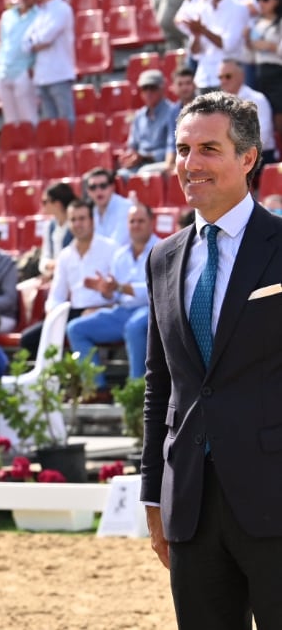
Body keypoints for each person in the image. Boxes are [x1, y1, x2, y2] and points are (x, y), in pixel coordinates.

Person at [142, 91, 282, 629]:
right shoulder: (163, 257)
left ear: (247, 159)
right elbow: (161, 385)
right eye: (181, 149)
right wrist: (154, 497)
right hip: (191, 509)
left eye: (208, 148)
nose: (189, 164)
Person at [66, 201, 159, 387]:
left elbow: (157, 291)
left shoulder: (163, 249)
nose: (136, 226)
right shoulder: (121, 254)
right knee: (76, 328)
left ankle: (137, 391)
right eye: (132, 221)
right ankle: (95, 388)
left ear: (152, 222)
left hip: (151, 311)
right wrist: (106, 291)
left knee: (134, 327)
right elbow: (115, 295)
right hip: (122, 311)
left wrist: (120, 287)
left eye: (140, 221)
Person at [19, 199, 117, 355]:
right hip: (73, 312)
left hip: (103, 310)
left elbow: (120, 292)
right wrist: (53, 316)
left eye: (82, 218)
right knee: (28, 339)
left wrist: (106, 297)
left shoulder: (111, 248)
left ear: (92, 221)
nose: (78, 224)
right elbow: (57, 295)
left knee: (77, 329)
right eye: (73, 219)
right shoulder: (65, 255)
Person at [175, 0, 250, 92]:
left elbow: (228, 45)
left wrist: (203, 31)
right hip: (203, 79)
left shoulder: (238, 8)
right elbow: (195, 52)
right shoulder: (200, 8)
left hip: (227, 79)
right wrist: (197, 36)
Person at [23, 0, 76, 123]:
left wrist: (35, 42)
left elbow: (46, 38)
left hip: (59, 74)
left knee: (66, 123)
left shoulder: (62, 9)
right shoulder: (40, 12)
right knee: (50, 126)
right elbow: (25, 42)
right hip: (42, 76)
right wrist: (35, 42)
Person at [0, 0, 39, 126]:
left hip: (24, 72)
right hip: (4, 72)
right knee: (10, 121)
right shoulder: (7, 16)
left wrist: (31, 68)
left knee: (29, 119)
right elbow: (3, 42)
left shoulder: (40, 15)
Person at [117, 69, 179, 176]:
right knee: (120, 175)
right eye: (145, 89)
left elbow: (174, 148)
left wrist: (147, 156)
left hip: (161, 163)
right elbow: (132, 145)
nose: (148, 93)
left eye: (153, 88)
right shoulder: (139, 115)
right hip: (140, 163)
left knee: (144, 173)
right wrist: (129, 156)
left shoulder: (172, 112)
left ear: (162, 89)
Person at [217, 58, 277, 165]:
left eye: (228, 76)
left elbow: (263, 136)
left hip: (260, 157)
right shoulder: (218, 103)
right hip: (231, 158)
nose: (223, 81)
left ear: (241, 76)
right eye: (220, 77)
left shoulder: (257, 99)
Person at [248, 0, 282, 132]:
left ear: (276, 0)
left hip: (276, 71)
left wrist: (270, 46)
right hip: (259, 71)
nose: (261, 3)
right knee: (262, 112)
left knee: (279, 114)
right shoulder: (256, 23)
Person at [85, 167, 132, 246]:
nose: (98, 191)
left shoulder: (125, 207)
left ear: (112, 187)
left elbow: (117, 244)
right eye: (93, 187)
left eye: (103, 186)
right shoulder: (92, 210)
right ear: (88, 191)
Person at [39, 181, 78, 278]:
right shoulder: (49, 226)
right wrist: (48, 265)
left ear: (57, 204)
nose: (42, 205)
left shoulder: (77, 225)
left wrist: (59, 265)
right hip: (53, 275)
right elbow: (45, 256)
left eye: (45, 202)